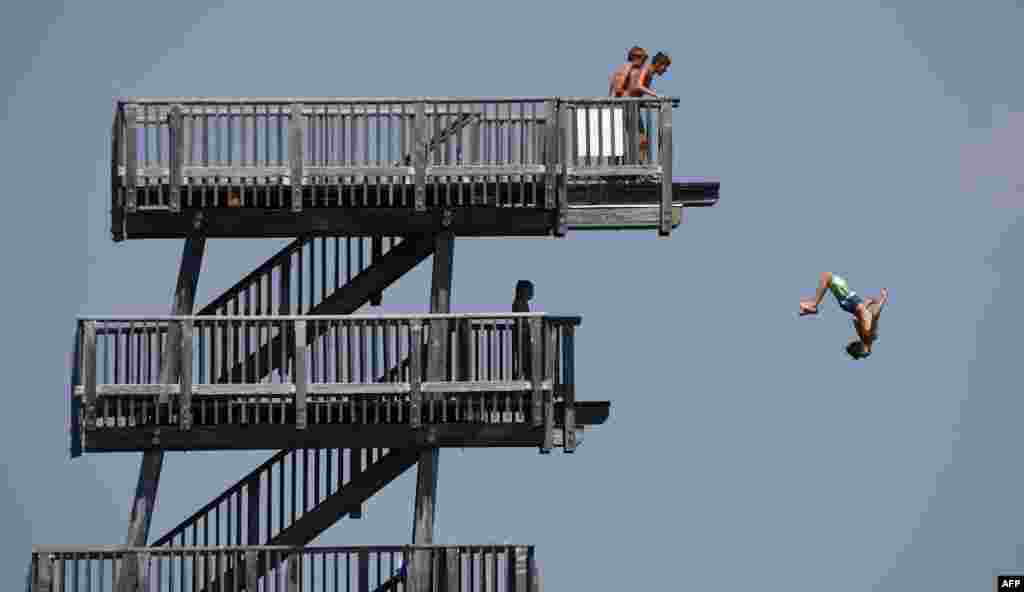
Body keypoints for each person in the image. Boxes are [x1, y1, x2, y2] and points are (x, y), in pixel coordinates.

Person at [799, 272, 888, 360]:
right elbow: (856, 319)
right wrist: (866, 305)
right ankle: (812, 307)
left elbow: (874, 315)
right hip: (849, 305)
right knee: (827, 278)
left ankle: (813, 305)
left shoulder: (870, 336)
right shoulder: (864, 337)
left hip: (851, 301)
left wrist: (883, 298)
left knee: (827, 276)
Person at [625, 51, 671, 161]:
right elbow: (638, 85)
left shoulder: (649, 73)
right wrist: (656, 95)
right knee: (640, 140)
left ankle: (639, 166)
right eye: (665, 67)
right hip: (628, 106)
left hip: (633, 106)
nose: (665, 70)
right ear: (659, 64)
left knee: (641, 141)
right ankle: (637, 167)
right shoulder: (646, 69)